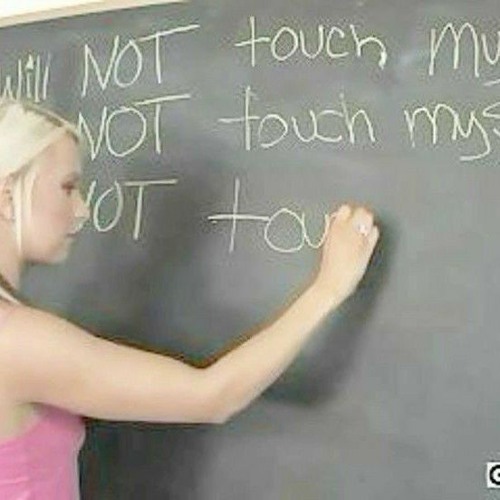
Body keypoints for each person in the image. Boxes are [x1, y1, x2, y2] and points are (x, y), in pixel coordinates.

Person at [0, 98, 379, 499]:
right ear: (7, 197)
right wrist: (327, 290)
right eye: (68, 187)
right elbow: (213, 396)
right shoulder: (16, 340)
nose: (82, 210)